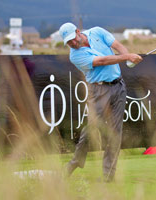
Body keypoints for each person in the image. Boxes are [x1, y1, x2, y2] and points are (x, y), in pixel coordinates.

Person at [59, 22, 142, 181]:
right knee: (91, 128)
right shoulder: (75, 56)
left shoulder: (97, 32)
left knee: (115, 132)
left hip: (118, 86)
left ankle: (108, 176)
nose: (72, 43)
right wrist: (127, 57)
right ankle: (75, 162)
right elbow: (102, 61)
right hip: (98, 91)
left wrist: (129, 58)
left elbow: (117, 45)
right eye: (69, 42)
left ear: (78, 31)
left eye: (73, 39)